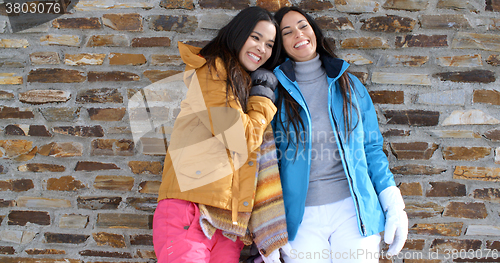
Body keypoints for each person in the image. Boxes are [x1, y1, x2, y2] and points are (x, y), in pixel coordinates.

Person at [271, 6, 408, 263]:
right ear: (280, 43)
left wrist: (394, 205)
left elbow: (371, 148)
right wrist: (267, 225)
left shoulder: (349, 85)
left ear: (314, 31)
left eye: (303, 26)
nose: (298, 35)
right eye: (286, 32)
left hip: (353, 212)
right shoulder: (276, 95)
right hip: (300, 220)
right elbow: (266, 163)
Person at [152, 6, 286, 263]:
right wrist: (262, 101)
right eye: (255, 37)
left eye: (269, 44)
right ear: (238, 33)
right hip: (190, 212)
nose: (262, 48)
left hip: (227, 223)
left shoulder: (244, 86)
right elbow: (241, 139)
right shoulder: (212, 73)